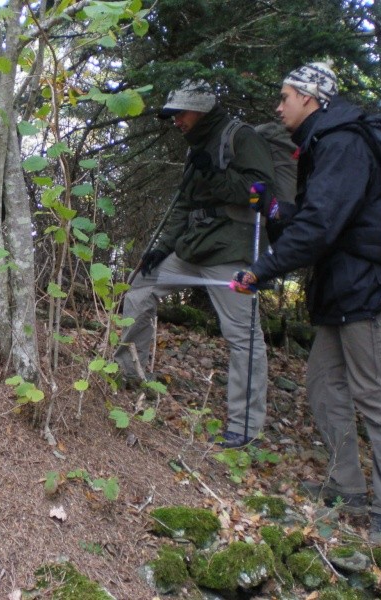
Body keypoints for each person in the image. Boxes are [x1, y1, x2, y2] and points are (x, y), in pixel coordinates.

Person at [232, 62, 381, 544]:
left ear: (310, 99)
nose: (279, 105)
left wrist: (261, 269)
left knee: (378, 397)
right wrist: (274, 208)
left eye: (285, 96)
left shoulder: (343, 143)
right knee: (324, 385)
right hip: (341, 290)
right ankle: (347, 486)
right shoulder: (324, 143)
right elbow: (318, 217)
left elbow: (322, 227)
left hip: (366, 289)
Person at [115, 79, 276, 449]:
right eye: (172, 115)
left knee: (243, 335)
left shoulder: (241, 137)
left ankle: (245, 426)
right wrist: (161, 248)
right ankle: (128, 373)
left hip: (232, 251)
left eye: (180, 114)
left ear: (200, 111)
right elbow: (184, 207)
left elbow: (261, 194)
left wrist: (216, 175)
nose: (175, 121)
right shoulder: (197, 149)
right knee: (141, 284)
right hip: (194, 247)